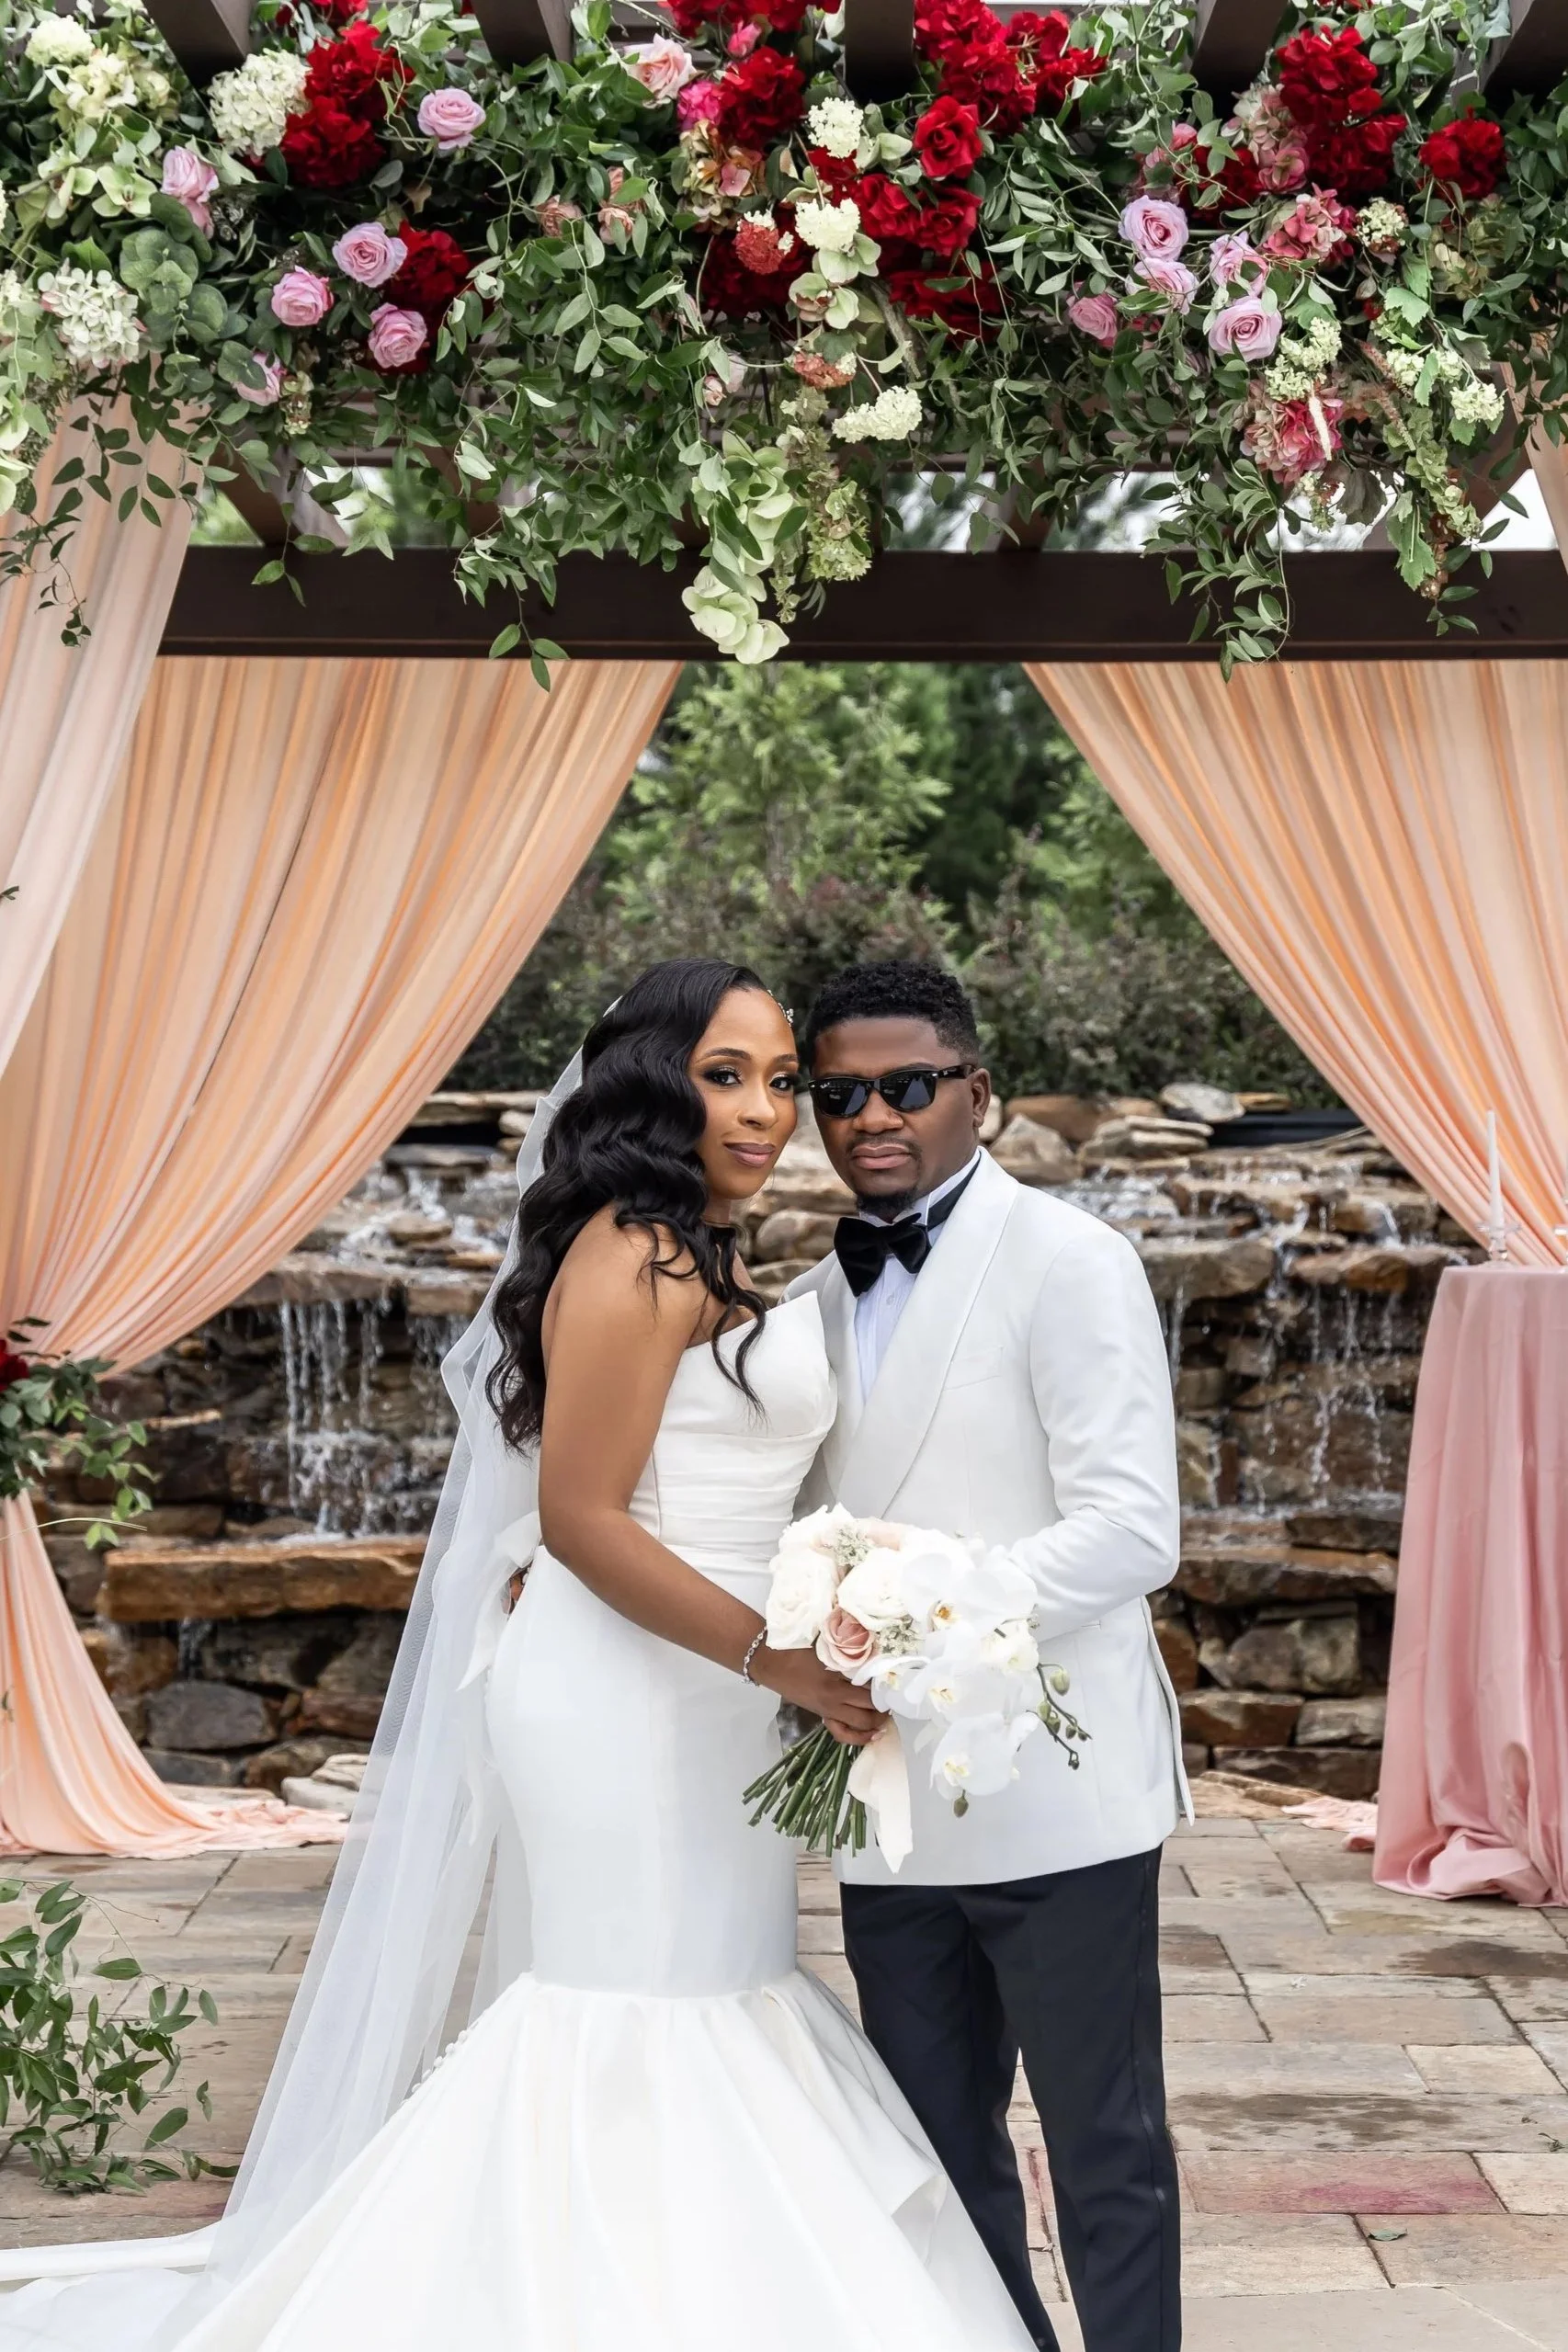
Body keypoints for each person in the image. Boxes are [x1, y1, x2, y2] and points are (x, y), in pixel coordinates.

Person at [0, 959, 1032, 2352]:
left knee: (717, 1982)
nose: (766, 1108)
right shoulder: (635, 1249)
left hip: (712, 1689)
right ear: (649, 1083)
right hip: (627, 1689)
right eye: (726, 1073)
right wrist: (776, 1660)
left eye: (783, 1078)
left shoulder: (699, 1249)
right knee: (633, 2000)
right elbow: (583, 1518)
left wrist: (851, 1605)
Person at [789, 960, 1189, 2352]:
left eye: (905, 1085)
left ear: (977, 1090)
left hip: (1056, 1795)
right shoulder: (810, 1299)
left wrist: (914, 1615)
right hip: (889, 1809)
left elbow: (1133, 1529)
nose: (871, 1116)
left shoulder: (1071, 1260)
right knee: (937, 2151)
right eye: (837, 1092)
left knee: (1104, 2150)